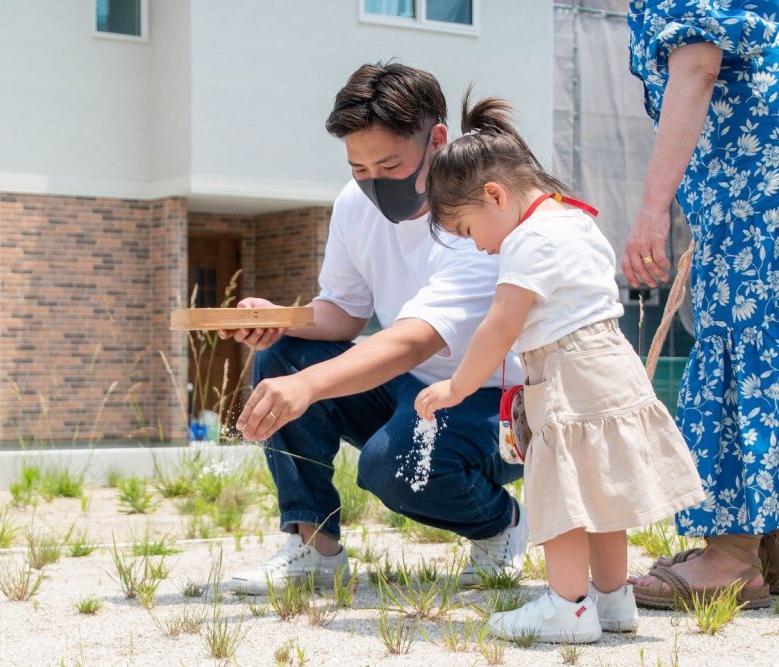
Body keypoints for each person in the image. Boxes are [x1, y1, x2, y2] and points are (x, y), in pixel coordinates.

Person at [218, 63, 527, 595]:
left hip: (493, 404)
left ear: (436, 140)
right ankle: (313, 546)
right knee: (286, 354)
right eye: (359, 169)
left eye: (389, 164)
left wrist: (309, 388)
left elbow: (417, 338)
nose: (374, 183)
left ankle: (500, 523)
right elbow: (344, 310)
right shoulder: (353, 203)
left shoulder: (483, 214)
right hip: (408, 389)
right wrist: (281, 319)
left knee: (392, 467)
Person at [414, 91, 706, 643]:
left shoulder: (528, 241)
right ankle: (612, 599)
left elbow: (500, 324)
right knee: (602, 488)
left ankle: (567, 608)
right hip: (609, 360)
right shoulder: (577, 220)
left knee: (564, 493)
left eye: (469, 232)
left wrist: (457, 385)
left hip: (568, 371)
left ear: (494, 195)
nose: (478, 250)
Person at [624, 1, 779, 608]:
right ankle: (766, 543)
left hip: (753, 185)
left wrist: (653, 208)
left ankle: (733, 554)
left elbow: (697, 65)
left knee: (748, 338)